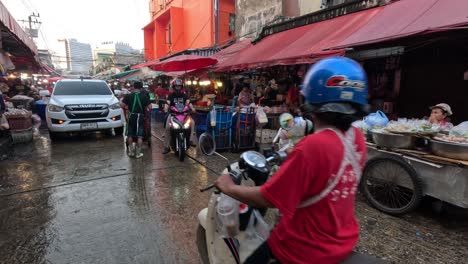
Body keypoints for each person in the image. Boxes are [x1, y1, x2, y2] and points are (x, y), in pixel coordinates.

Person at [214, 57, 369, 264]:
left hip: (301, 249)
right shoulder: (357, 139)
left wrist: (229, 188)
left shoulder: (312, 148)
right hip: (342, 242)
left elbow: (268, 198)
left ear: (311, 102)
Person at [161, 79, 196, 154]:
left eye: (179, 86)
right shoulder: (171, 96)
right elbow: (167, 103)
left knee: (192, 123)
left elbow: (189, 103)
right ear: (174, 87)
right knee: (167, 128)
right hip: (173, 115)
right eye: (176, 86)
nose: (178, 88)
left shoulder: (185, 95)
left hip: (184, 115)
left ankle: (190, 140)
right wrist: (166, 108)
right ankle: (166, 147)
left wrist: (192, 108)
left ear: (181, 87)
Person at [121, 81, 150, 158]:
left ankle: (131, 152)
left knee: (130, 134)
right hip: (140, 117)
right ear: (141, 88)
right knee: (140, 136)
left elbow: (122, 105)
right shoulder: (144, 96)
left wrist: (122, 103)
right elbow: (150, 107)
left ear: (133, 87)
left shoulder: (128, 96)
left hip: (131, 116)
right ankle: (138, 153)